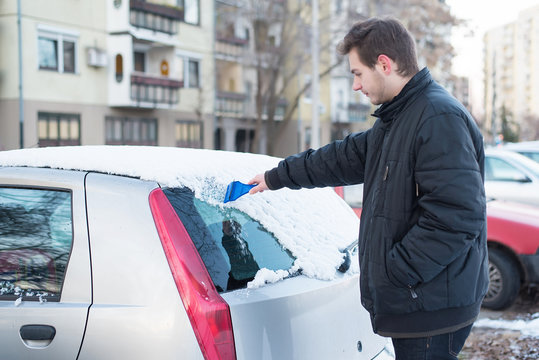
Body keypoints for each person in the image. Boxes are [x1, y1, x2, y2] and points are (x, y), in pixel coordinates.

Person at [248, 17, 488, 360]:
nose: (357, 85)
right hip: (420, 301)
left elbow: (458, 217)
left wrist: (397, 271)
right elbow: (339, 158)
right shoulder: (399, 119)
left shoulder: (437, 117)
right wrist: (276, 176)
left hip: (431, 307)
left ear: (385, 64)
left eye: (358, 73)